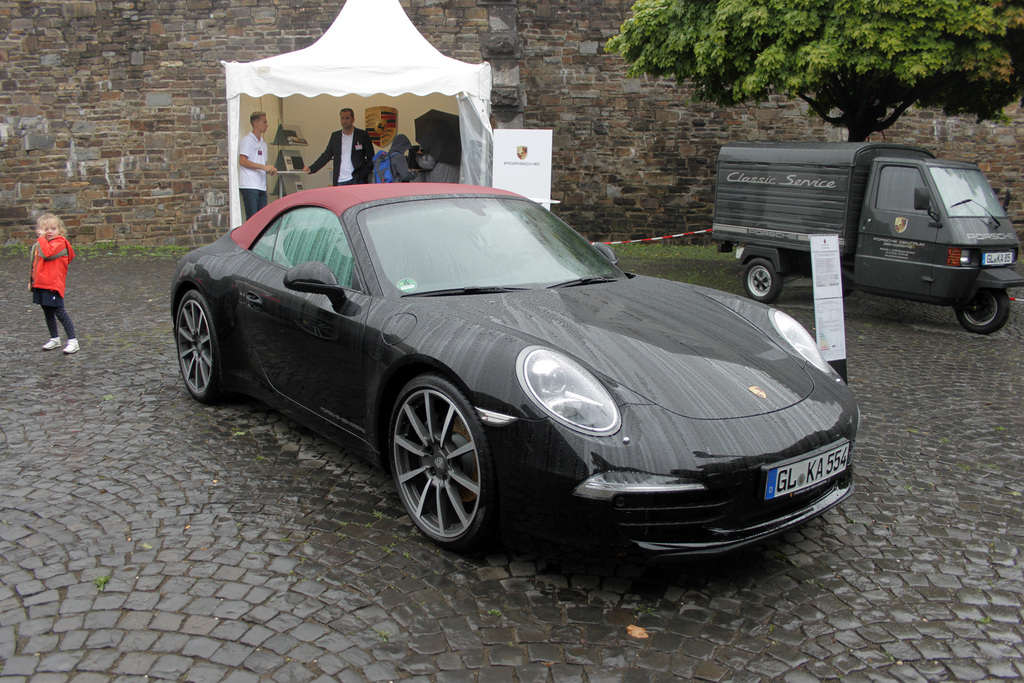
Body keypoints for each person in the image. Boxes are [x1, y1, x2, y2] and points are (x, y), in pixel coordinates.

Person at [29, 213, 79, 354]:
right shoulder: (42, 243)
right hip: (42, 283)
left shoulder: (59, 243)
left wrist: (41, 238)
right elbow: (35, 264)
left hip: (53, 284)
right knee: (47, 311)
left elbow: (47, 254)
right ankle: (55, 339)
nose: (50, 231)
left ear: (59, 230)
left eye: (53, 228)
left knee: (60, 312)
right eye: (46, 229)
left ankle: (73, 341)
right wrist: (31, 282)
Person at [304, 108, 375, 185]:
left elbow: (371, 157)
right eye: (342, 118)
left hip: (357, 179)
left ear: (353, 120)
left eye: (347, 118)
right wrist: (312, 168)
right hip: (340, 180)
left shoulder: (362, 135)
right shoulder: (335, 136)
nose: (344, 121)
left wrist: (363, 174)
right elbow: (326, 155)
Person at [239, 111, 277, 219]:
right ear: (256, 123)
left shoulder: (263, 144)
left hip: (261, 186)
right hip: (249, 185)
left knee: (263, 220)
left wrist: (269, 170)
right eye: (264, 122)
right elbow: (242, 161)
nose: (267, 125)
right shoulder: (247, 140)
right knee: (253, 219)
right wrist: (263, 167)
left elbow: (261, 163)